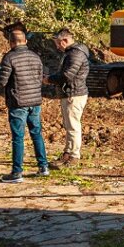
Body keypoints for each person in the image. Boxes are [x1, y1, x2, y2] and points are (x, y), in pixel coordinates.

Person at [0, 25, 49, 183]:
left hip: (18, 101)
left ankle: (17, 172)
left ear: (11, 42)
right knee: (36, 134)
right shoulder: (35, 56)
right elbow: (41, 77)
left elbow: (2, 81)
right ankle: (43, 166)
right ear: (25, 41)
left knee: (18, 137)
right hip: (35, 101)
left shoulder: (9, 57)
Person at [44, 28, 90, 170]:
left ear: (65, 40)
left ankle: (74, 156)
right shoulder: (72, 53)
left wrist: (49, 79)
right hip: (71, 93)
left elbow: (67, 75)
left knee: (73, 126)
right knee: (69, 125)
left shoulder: (75, 54)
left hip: (73, 94)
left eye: (58, 43)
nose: (57, 47)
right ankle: (68, 153)